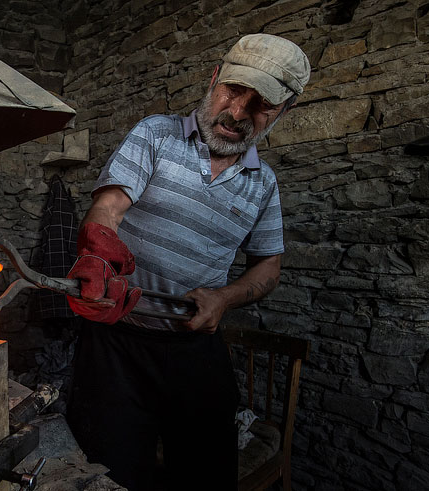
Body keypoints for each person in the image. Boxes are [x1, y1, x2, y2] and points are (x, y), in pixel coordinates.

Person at [65, 33, 311, 490]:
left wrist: (224, 297)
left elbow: (267, 269)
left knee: (205, 475)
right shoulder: (155, 134)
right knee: (110, 474)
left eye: (259, 105)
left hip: (194, 350)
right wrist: (99, 252)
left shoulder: (263, 184)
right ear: (215, 78)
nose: (236, 112)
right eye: (232, 91)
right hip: (116, 344)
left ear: (283, 111)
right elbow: (110, 206)